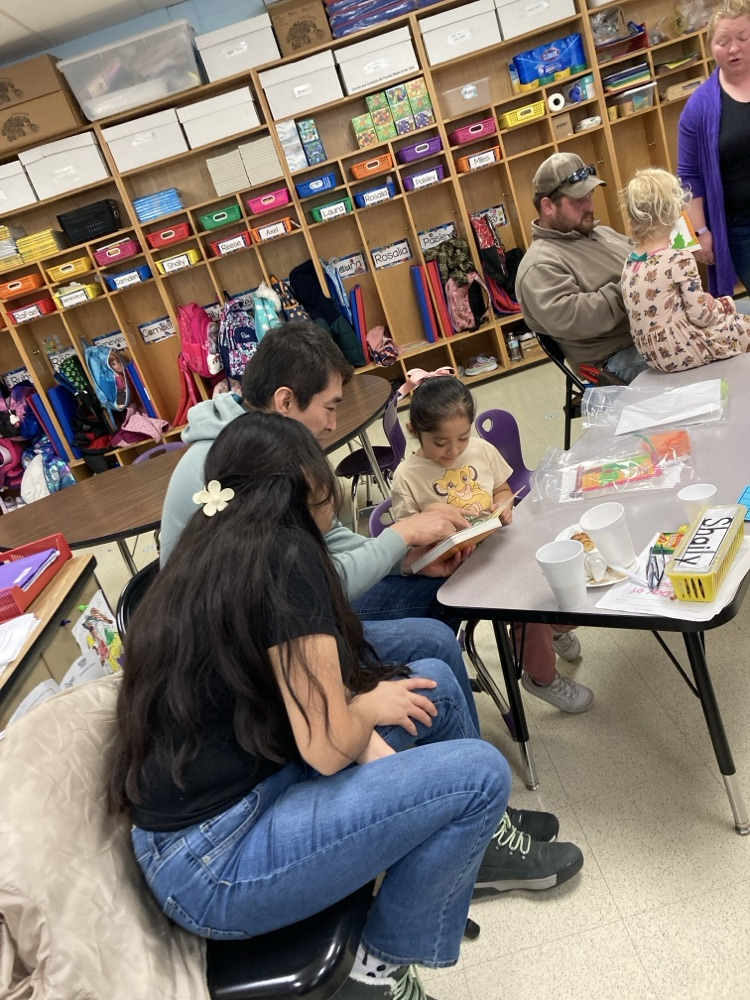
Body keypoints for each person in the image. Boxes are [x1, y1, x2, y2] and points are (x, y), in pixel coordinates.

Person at [110, 412, 584, 1000]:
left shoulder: (215, 550)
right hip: (216, 862)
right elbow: (329, 744)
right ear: (304, 491)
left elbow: (306, 702)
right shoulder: (286, 561)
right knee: (480, 777)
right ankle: (376, 974)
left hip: (245, 794)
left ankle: (475, 851)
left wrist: (370, 720)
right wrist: (366, 711)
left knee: (430, 681)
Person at [160, 321, 480, 726]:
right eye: (329, 407)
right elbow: (300, 595)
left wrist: (407, 558)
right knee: (432, 642)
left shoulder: (273, 441)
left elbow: (327, 538)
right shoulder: (235, 465)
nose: (332, 424)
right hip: (256, 652)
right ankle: (446, 755)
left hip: (293, 610)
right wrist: (402, 535)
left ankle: (439, 744)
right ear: (286, 401)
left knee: (437, 589)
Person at [390, 373, 594, 714]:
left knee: (559, 572)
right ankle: (542, 676)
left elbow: (502, 488)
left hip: (498, 544)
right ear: (414, 431)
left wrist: (503, 505)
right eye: (440, 443)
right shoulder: (407, 476)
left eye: (462, 438)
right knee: (526, 606)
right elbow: (407, 539)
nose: (453, 451)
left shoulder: (480, 449)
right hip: (459, 569)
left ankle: (554, 628)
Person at [515, 151, 650, 384]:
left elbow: (642, 259)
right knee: (702, 347)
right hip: (610, 361)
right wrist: (633, 286)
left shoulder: (601, 233)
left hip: (647, 334)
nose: (589, 206)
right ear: (547, 206)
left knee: (730, 322)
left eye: (590, 195)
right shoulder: (540, 265)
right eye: (578, 200)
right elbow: (574, 317)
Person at [621, 167, 750, 372]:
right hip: (680, 347)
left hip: (651, 353)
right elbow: (701, 316)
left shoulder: (632, 260)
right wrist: (723, 306)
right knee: (743, 325)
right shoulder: (678, 257)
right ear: (675, 212)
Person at [678, 0, 750, 297]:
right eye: (724, 41)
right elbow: (689, 177)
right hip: (741, 229)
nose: (734, 48)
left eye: (744, 38)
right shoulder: (698, 108)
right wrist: (701, 232)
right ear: (710, 47)